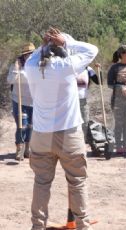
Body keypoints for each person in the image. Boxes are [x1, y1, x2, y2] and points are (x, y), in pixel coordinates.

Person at [25, 27, 98, 230]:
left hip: (41, 134)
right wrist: (65, 42)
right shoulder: (67, 66)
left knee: (41, 183)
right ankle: (83, 226)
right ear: (61, 48)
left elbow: (34, 56)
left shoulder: (31, 67)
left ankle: (37, 226)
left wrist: (45, 44)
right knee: (77, 182)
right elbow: (92, 49)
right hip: (67, 132)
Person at [7, 42, 35, 160]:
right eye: (27, 54)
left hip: (34, 101)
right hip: (19, 100)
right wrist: (16, 70)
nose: (29, 56)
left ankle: (27, 149)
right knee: (21, 126)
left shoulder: (39, 66)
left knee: (31, 126)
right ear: (23, 56)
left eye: (31, 54)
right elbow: (10, 81)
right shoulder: (17, 66)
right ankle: (20, 150)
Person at [76, 65, 99, 149]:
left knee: (85, 123)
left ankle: (85, 144)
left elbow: (98, 81)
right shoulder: (69, 67)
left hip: (83, 101)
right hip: (70, 101)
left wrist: (98, 71)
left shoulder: (88, 69)